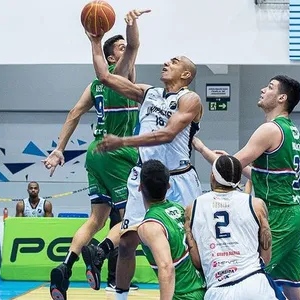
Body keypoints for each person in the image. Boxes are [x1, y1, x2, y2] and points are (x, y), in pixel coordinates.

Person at [82, 20, 204, 299]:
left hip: (178, 178)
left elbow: (168, 134)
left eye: (174, 62)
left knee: (192, 240)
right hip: (144, 176)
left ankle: (201, 290)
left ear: (185, 74)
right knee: (127, 242)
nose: (166, 62)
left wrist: (122, 141)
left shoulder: (190, 99)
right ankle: (119, 294)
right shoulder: (148, 93)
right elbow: (105, 77)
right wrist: (95, 42)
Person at [43, 9, 150, 299]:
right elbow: (136, 45)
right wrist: (131, 25)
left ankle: (65, 267)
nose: (127, 51)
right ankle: (99, 252)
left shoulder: (94, 86)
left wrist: (59, 149)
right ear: (113, 59)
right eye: (120, 49)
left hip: (95, 153)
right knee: (131, 218)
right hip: (118, 153)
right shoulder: (119, 76)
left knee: (96, 219)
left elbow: (74, 112)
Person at [193, 75, 300, 300]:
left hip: (279, 214)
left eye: (269, 87)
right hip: (291, 213)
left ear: (281, 97)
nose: (262, 89)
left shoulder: (269, 129)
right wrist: (223, 159)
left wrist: (201, 149)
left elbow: (230, 168)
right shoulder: (290, 130)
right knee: (295, 290)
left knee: (247, 275)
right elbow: (258, 173)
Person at [185, 155, 284, 300]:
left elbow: (197, 261)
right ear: (239, 179)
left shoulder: (192, 208)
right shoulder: (256, 205)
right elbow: (266, 255)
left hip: (217, 289)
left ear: (213, 176)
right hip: (254, 284)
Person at [137, 159, 205, 300]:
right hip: (204, 290)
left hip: (183, 296)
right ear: (168, 186)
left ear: (140, 187)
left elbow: (167, 268)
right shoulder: (180, 209)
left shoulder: (150, 226)